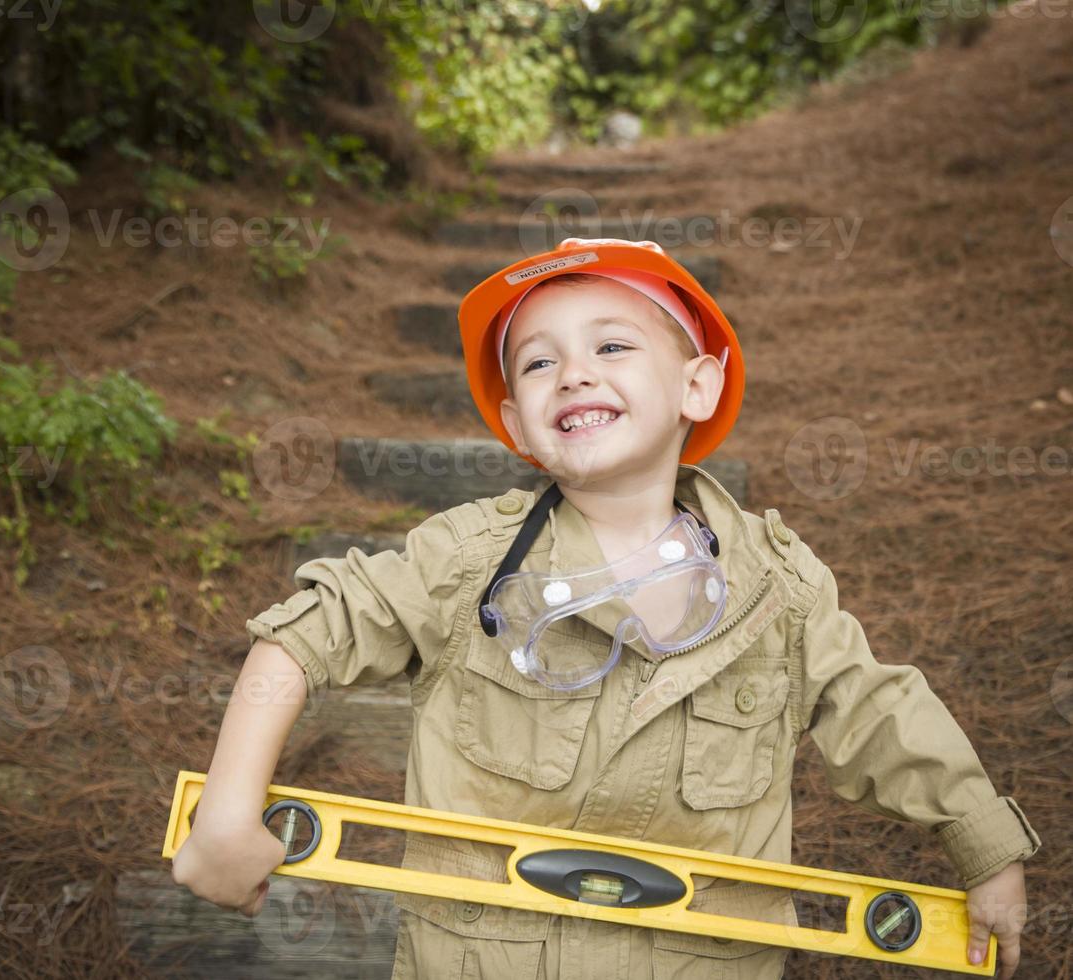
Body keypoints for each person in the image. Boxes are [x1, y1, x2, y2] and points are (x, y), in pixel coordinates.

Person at [171, 238, 1041, 979]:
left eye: (612, 347)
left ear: (697, 388)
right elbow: (297, 639)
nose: (573, 371)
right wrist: (226, 814)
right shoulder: (468, 562)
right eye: (539, 361)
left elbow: (880, 712)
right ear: (516, 420)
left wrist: (984, 845)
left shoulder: (779, 588)